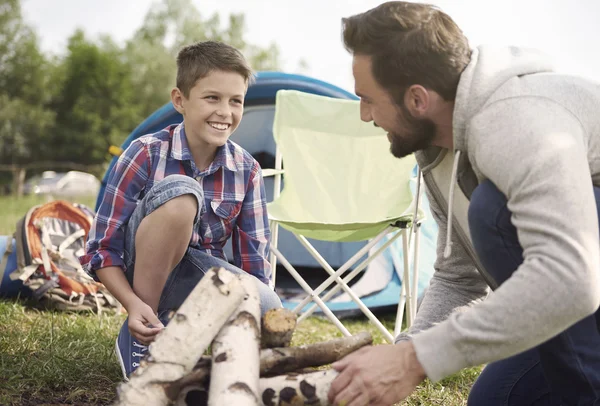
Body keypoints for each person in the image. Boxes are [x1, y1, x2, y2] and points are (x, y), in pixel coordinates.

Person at [328, 2, 600, 405]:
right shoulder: (437, 145)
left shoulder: (518, 121)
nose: (365, 116)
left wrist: (412, 360)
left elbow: (572, 279)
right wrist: (404, 352)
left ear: (418, 100)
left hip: (580, 281)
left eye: (368, 99)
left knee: (494, 212)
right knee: (496, 399)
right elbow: (459, 275)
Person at [79, 41, 282, 380]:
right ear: (180, 101)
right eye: (212, 98)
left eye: (236, 101)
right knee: (182, 195)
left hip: (196, 278)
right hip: (138, 271)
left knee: (267, 306)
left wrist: (254, 317)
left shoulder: (247, 170)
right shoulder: (143, 153)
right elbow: (101, 250)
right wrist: (132, 304)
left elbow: (255, 265)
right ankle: (143, 333)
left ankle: (181, 331)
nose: (225, 112)